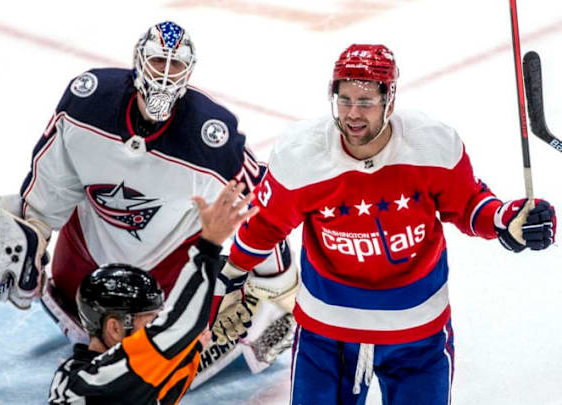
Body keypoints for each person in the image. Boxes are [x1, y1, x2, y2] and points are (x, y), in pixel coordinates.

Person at [224, 44, 557, 404]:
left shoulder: (433, 145)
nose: (353, 113)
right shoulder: (301, 156)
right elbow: (265, 224)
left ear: (390, 100)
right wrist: (231, 277)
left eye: (366, 102)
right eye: (345, 99)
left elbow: (470, 205)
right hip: (328, 338)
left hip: (417, 336)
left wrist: (507, 220)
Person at [0, 20, 299, 384]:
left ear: (189, 72)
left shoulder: (210, 140)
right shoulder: (87, 105)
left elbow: (260, 213)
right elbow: (49, 189)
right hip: (80, 275)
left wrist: (276, 287)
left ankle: (191, 330)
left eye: (175, 66)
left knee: (160, 367)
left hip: (166, 278)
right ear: (137, 61)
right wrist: (27, 243)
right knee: (150, 359)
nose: (164, 75)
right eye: (158, 61)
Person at [47, 181, 257, 404]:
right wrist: (210, 245)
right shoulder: (95, 382)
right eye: (150, 323)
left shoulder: (119, 378)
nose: (156, 328)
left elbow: (161, 383)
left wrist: (193, 346)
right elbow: (176, 327)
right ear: (115, 327)